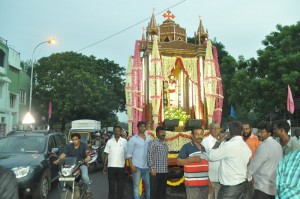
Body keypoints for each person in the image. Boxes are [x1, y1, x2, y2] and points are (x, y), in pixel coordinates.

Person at [209, 120, 252, 199]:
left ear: (229, 131)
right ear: (242, 131)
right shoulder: (245, 146)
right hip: (242, 185)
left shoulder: (228, 145)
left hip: (230, 188)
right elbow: (248, 163)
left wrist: (218, 141)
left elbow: (211, 156)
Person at [247, 121, 282, 199]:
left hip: (262, 188)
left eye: (262, 132)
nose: (259, 134)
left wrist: (247, 177)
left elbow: (254, 165)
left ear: (269, 133)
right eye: (258, 131)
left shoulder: (264, 146)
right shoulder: (278, 145)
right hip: (274, 187)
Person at [177, 127, 209, 199]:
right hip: (193, 185)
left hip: (205, 184)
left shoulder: (203, 148)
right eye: (197, 134)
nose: (199, 136)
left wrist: (209, 183)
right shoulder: (187, 147)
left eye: (201, 134)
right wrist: (191, 159)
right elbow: (178, 162)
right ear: (192, 136)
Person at [127, 121, 151, 199]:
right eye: (141, 126)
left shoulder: (148, 138)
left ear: (145, 128)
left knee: (148, 186)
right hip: (136, 166)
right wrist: (131, 165)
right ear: (138, 128)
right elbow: (129, 153)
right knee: (136, 186)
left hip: (147, 166)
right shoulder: (133, 139)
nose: (142, 128)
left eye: (144, 126)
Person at [103, 125, 127, 199]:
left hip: (121, 167)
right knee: (111, 186)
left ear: (120, 132)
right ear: (113, 132)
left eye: (118, 131)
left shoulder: (124, 141)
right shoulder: (109, 142)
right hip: (111, 167)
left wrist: (127, 166)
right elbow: (106, 155)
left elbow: (126, 154)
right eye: (115, 131)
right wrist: (104, 167)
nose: (117, 132)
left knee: (120, 187)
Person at [147, 126, 168, 199]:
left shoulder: (165, 142)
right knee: (154, 191)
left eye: (164, 132)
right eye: (161, 132)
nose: (163, 133)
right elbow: (149, 156)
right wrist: (152, 168)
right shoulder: (153, 142)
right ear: (157, 133)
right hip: (155, 171)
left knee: (162, 191)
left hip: (164, 171)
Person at [201, 122, 221, 199]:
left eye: (218, 128)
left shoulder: (224, 141)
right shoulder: (205, 142)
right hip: (211, 178)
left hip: (223, 178)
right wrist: (207, 179)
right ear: (209, 129)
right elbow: (203, 160)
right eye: (213, 128)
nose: (216, 130)